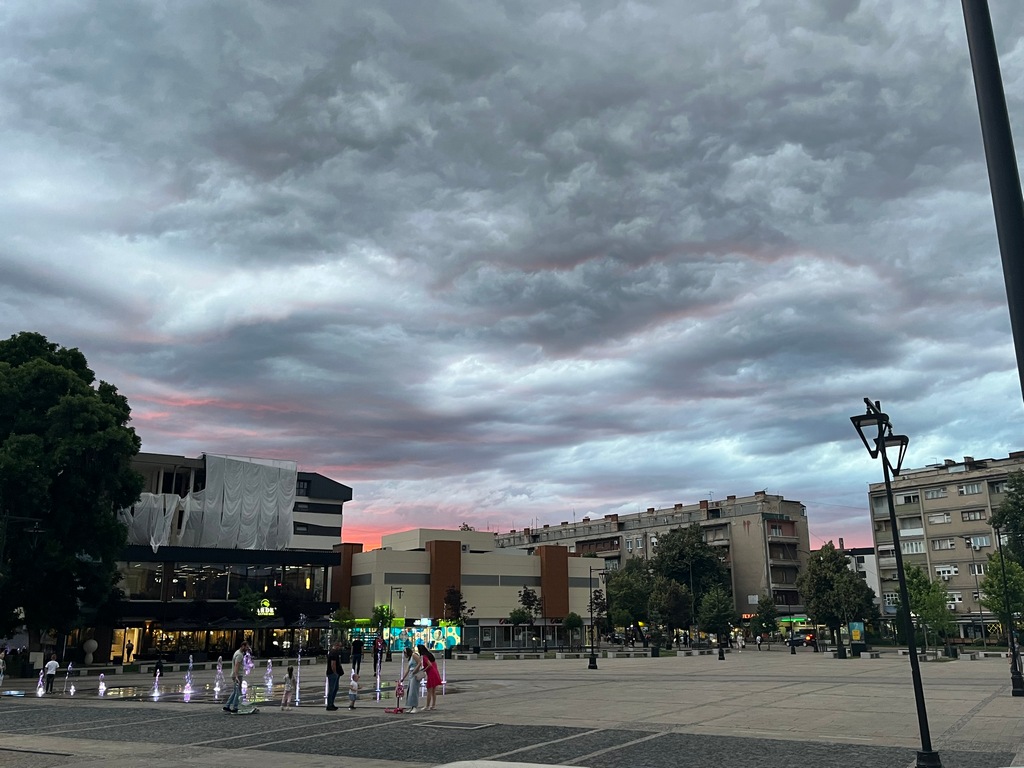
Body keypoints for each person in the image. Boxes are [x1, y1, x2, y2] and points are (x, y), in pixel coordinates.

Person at [223, 639, 249, 713]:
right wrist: (237, 676)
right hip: (237, 675)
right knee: (238, 692)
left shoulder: (237, 652)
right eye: (246, 647)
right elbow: (237, 666)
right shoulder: (240, 655)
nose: (247, 649)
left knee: (235, 691)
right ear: (243, 646)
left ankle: (227, 706)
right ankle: (235, 707)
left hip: (235, 674)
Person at [418, 644, 442, 711]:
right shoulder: (430, 655)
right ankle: (433, 705)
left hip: (431, 673)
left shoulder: (424, 656)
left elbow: (429, 665)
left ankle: (427, 706)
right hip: (435, 672)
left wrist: (424, 670)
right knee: (433, 691)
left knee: (429, 690)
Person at [400, 646, 422, 713]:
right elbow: (407, 669)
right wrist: (403, 678)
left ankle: (415, 706)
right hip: (411, 674)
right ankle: (411, 706)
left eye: (405, 654)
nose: (405, 655)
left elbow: (419, 662)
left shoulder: (414, 655)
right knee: (410, 691)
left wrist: (415, 670)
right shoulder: (410, 659)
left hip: (415, 674)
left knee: (414, 691)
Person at [325, 641, 343, 711]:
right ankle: (329, 704)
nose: (340, 648)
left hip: (333, 673)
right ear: (336, 645)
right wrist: (335, 672)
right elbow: (333, 664)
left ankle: (331, 703)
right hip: (332, 673)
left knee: (335, 688)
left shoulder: (333, 652)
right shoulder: (333, 653)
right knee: (332, 689)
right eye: (339, 646)